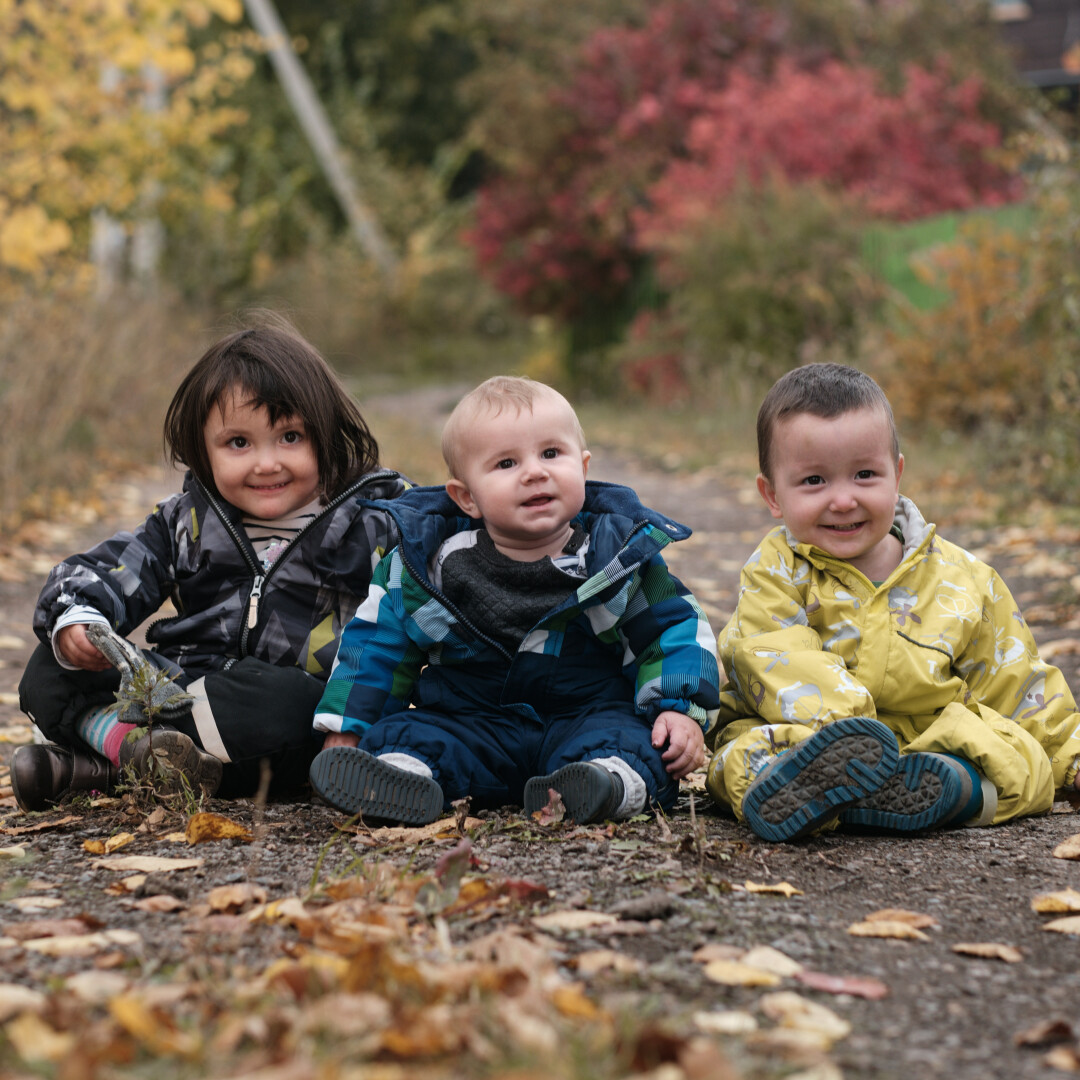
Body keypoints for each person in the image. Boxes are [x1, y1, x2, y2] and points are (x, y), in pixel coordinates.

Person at [12, 313, 407, 811]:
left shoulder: (376, 523)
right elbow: (104, 570)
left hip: (285, 712)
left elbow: (437, 583)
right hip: (178, 689)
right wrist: (81, 619)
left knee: (286, 703)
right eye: (239, 443)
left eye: (290, 437)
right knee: (50, 669)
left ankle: (105, 765)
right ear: (204, 450)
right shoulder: (188, 522)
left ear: (325, 434)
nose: (267, 463)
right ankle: (137, 755)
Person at [307, 375, 721, 825]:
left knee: (639, 744)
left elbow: (672, 630)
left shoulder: (615, 558)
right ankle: (401, 776)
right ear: (466, 497)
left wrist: (680, 711)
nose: (534, 471)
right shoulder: (428, 568)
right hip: (470, 719)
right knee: (411, 735)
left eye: (551, 453)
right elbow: (376, 645)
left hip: (586, 715)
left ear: (582, 468)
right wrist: (349, 725)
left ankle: (602, 783)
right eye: (506, 463)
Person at [705, 362, 1080, 842]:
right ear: (772, 495)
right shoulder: (777, 569)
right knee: (743, 754)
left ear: (896, 474)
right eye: (814, 482)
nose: (843, 500)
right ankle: (822, 791)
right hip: (810, 736)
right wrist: (852, 733)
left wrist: (1068, 753)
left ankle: (948, 790)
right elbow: (773, 652)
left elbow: (1013, 677)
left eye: (864, 474)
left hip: (929, 740)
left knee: (1019, 760)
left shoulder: (963, 579)